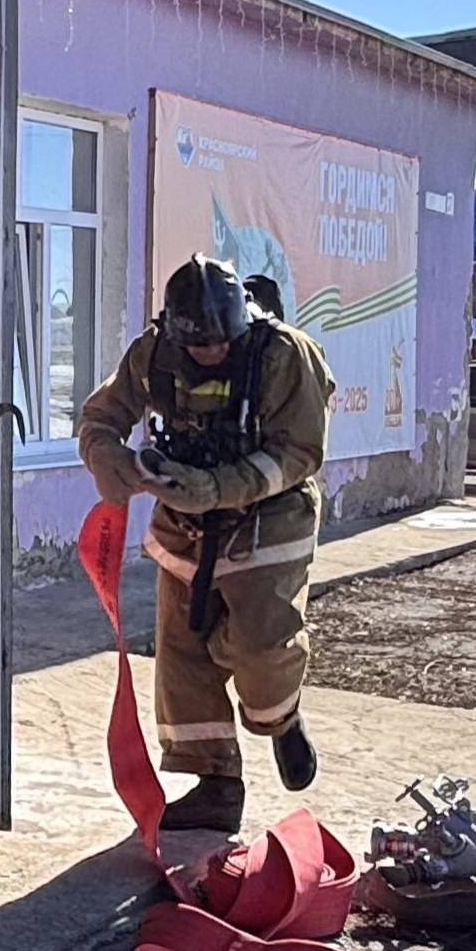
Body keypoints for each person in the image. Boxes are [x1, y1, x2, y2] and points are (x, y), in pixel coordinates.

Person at [78, 255, 336, 833]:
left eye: (222, 343)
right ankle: (215, 786)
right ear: (174, 331)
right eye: (198, 346)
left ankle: (281, 719)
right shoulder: (153, 353)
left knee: (261, 647)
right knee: (182, 653)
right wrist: (108, 458)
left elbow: (300, 452)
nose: (211, 353)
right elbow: (100, 417)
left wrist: (220, 487)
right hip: (185, 524)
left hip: (269, 517)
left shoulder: (284, 355)